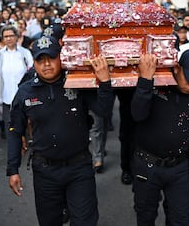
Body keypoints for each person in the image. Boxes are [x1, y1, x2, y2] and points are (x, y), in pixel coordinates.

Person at [7, 35, 114, 226]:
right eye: (40, 59)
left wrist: (105, 83)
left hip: (79, 168)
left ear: (60, 57)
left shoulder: (78, 83)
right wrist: (12, 170)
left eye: (51, 57)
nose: (46, 64)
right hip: (45, 171)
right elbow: (15, 131)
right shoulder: (25, 92)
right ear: (34, 62)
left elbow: (104, 111)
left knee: (85, 221)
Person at [130, 50, 189, 225]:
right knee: (145, 216)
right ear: (177, 68)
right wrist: (145, 82)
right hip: (147, 165)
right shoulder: (156, 84)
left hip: (179, 168)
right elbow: (137, 115)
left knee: (182, 218)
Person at [0, 25, 33, 139]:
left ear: (17, 37)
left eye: (11, 36)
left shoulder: (25, 53)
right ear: (2, 38)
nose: (8, 39)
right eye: (5, 36)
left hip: (24, 96)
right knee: (11, 126)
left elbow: (32, 72)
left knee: (28, 122)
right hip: (6, 97)